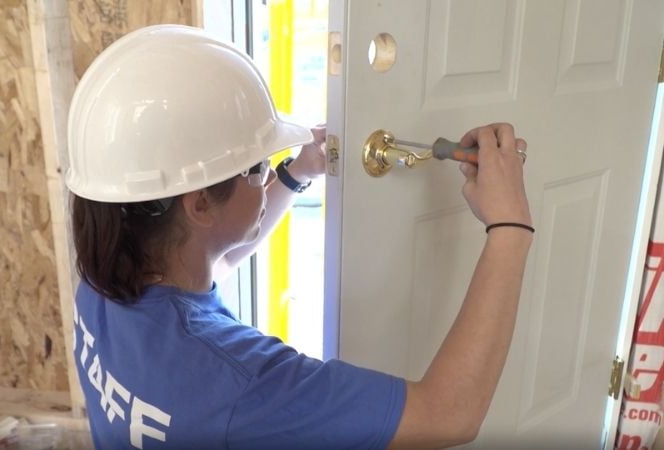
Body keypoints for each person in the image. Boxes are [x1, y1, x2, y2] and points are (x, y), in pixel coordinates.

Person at [66, 25, 532, 450]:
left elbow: (210, 265)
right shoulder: (245, 385)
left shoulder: (104, 280)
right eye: (258, 167)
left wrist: (293, 175)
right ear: (200, 204)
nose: (267, 171)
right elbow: (447, 416)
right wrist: (509, 227)